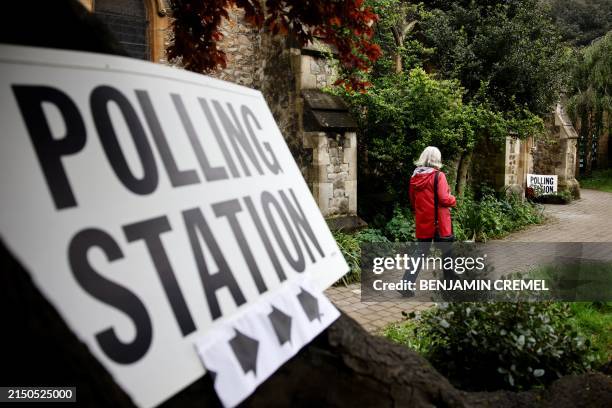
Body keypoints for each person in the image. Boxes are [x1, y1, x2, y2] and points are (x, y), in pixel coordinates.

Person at [400, 146, 457, 297]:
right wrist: (453, 199)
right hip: (440, 222)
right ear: (437, 159)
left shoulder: (414, 177)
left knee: (420, 252)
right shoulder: (439, 176)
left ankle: (406, 284)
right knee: (447, 252)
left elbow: (413, 201)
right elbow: (444, 199)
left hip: (424, 220)